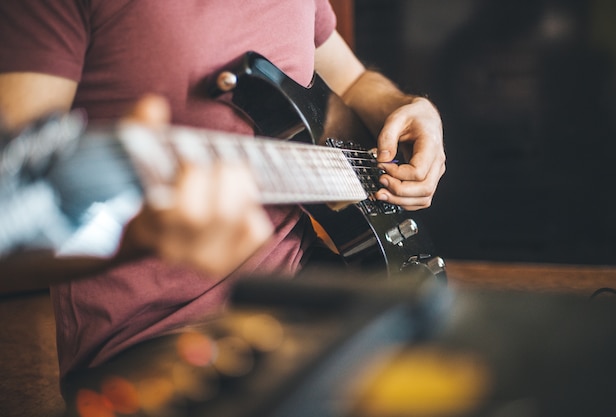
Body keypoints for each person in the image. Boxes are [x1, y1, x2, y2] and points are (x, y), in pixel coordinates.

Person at [0, 0, 445, 403]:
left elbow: (353, 83)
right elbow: (13, 213)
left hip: (311, 293)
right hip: (158, 343)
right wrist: (135, 236)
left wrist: (407, 106)